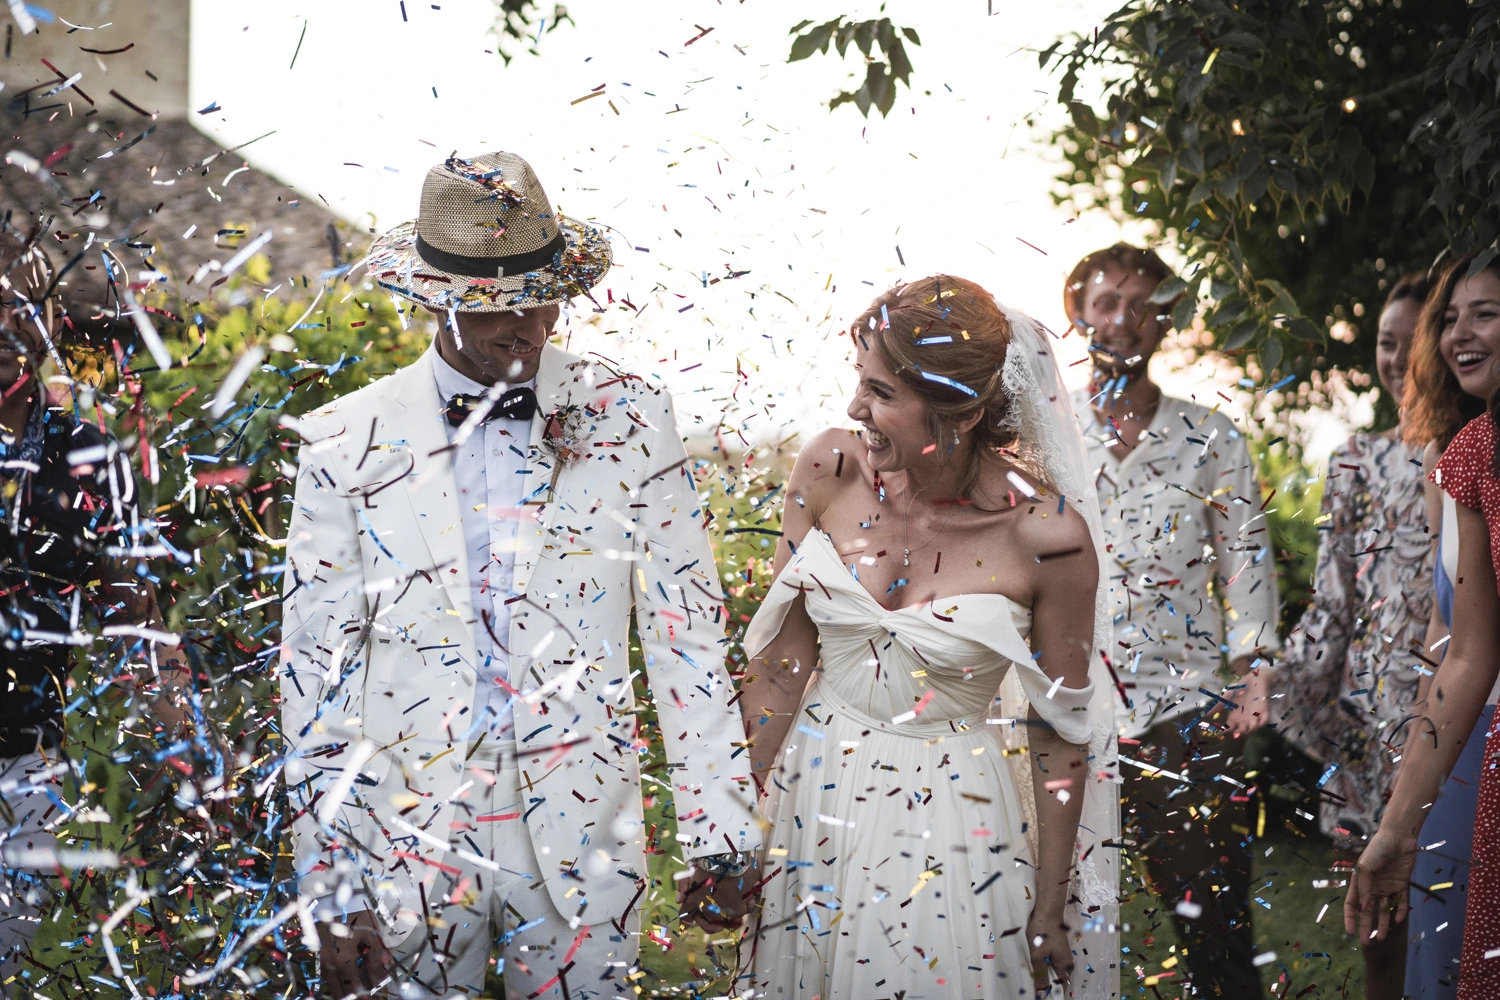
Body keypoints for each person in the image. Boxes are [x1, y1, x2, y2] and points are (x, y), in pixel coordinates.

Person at [280, 151, 758, 999]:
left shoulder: (632, 415)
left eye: (543, 296)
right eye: (497, 306)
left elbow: (686, 636)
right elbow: (318, 673)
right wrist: (331, 883)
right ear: (436, 299)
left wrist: (720, 833)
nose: (530, 326)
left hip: (586, 826)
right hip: (404, 839)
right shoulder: (343, 441)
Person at [736, 275, 1119, 999]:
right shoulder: (830, 468)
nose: (855, 408)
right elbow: (783, 665)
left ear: (963, 411)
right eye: (859, 379)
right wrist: (731, 828)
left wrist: (1049, 906)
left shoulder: (1046, 538)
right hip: (814, 793)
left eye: (881, 392)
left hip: (949, 819)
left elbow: (1057, 734)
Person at [1066, 243, 1279, 999]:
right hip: (1066, 713)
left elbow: (1246, 563)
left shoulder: (1212, 438)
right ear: (1077, 314)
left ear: (1167, 322)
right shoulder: (1046, 435)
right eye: (1106, 303)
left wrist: (1255, 673)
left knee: (1214, 923)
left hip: (1184, 712)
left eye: (1143, 306)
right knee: (1059, 926)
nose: (1123, 320)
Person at [0, 224, 194, 990]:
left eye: (25, 306)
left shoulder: (88, 452)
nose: (7, 325)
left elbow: (132, 607)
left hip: (28, 767)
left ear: (50, 321)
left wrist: (189, 737)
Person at [1347, 255, 1500, 1000]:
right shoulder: (1468, 458)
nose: (1459, 334)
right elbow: (1464, 653)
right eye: (1450, 319)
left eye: (1485, 315)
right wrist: (1397, 828)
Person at [1276, 273, 1431, 996]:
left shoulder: (1476, 458)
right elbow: (1333, 600)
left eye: (1412, 342)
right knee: (1378, 932)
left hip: (1448, 713)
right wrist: (1278, 680)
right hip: (1368, 722)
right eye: (1385, 343)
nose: (1397, 359)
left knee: (1453, 919)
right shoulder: (1355, 461)